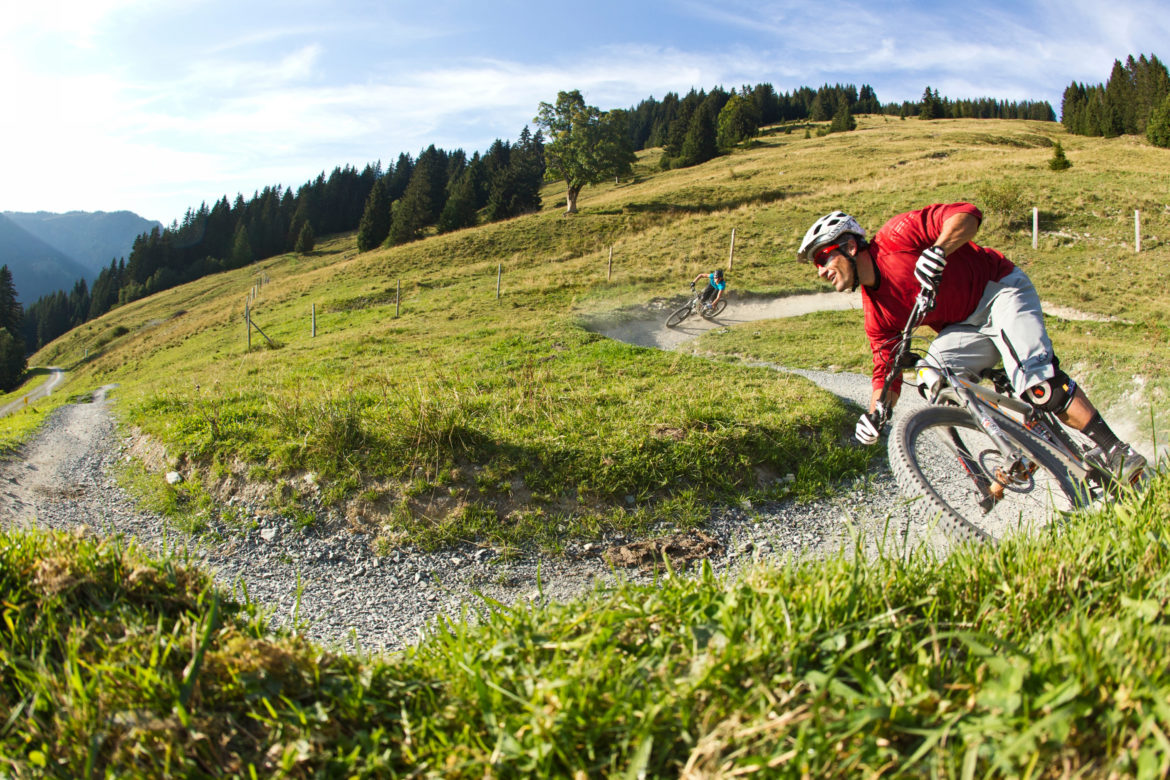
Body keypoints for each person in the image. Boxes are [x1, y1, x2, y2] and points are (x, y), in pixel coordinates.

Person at [796, 202, 1146, 484]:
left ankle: (1117, 451)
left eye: (822, 258)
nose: (820, 271)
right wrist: (875, 414)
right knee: (933, 379)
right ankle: (1017, 449)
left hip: (1000, 291)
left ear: (849, 246)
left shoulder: (897, 236)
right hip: (965, 327)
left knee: (1040, 385)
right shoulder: (878, 314)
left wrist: (939, 250)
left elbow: (967, 214)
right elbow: (884, 373)